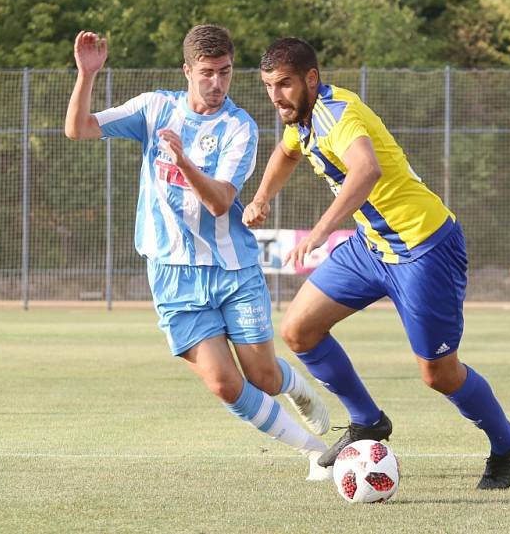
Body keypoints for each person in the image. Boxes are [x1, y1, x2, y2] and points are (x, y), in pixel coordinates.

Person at [243, 37, 510, 489]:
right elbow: (287, 151)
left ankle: (507, 442)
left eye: (284, 84)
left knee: (439, 374)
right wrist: (261, 197)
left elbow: (367, 169)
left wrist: (319, 232)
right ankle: (367, 421)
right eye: (268, 86)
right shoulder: (301, 119)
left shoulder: (339, 114)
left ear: (311, 79)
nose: (276, 96)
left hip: (425, 249)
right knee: (299, 329)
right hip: (373, 247)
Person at [64, 26, 331, 481]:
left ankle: (299, 389)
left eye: (225, 72)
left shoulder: (239, 127)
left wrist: (184, 160)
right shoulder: (154, 108)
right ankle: (316, 452)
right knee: (226, 384)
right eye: (207, 73)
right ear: (188, 71)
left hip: (233, 269)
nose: (217, 83)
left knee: (263, 378)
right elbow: (78, 129)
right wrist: (86, 75)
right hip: (172, 273)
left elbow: (220, 202)